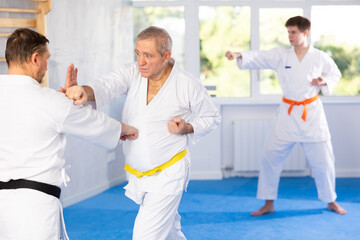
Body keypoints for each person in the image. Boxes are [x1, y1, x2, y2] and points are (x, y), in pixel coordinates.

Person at [64, 26, 221, 239]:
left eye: (148, 55)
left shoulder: (187, 84)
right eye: (138, 53)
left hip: (169, 172)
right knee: (171, 232)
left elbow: (212, 117)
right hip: (140, 172)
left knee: (145, 234)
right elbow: (106, 85)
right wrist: (83, 90)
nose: (141, 62)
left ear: (166, 56)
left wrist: (187, 128)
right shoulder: (133, 73)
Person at [0, 28, 138, 240]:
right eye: (47, 59)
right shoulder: (47, 100)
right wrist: (125, 129)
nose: (47, 67)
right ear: (35, 58)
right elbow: (93, 125)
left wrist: (66, 104)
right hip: (34, 209)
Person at [225, 16, 346, 216]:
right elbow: (259, 57)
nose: (289, 36)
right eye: (288, 32)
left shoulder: (320, 57)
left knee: (324, 160)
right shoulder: (282, 55)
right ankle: (268, 202)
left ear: (305, 33)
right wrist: (239, 54)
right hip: (287, 114)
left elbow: (335, 74)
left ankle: (331, 200)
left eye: (293, 32)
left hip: (312, 114)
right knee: (270, 157)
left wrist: (323, 82)